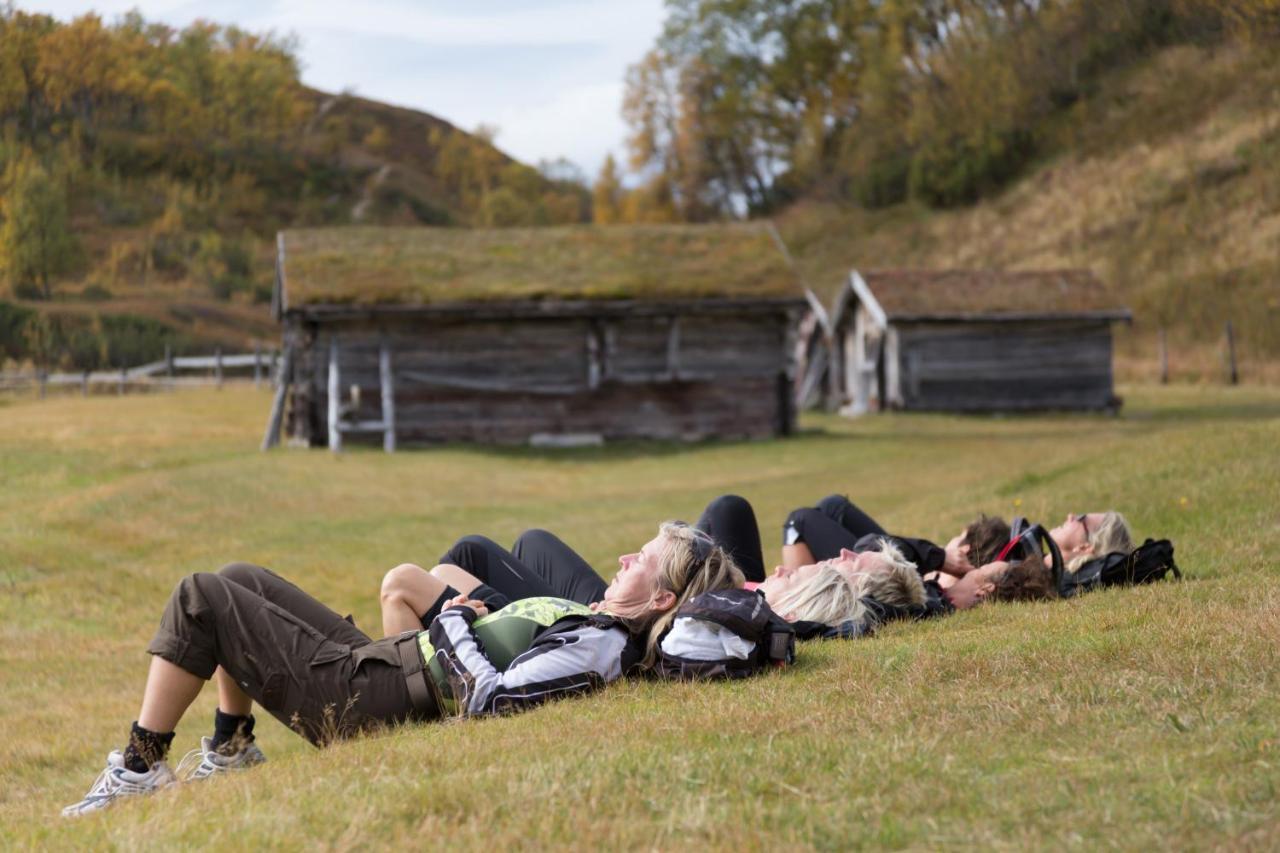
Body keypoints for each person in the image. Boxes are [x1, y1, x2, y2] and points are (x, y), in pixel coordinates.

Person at [62, 523, 740, 817]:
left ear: (662, 600)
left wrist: (449, 621)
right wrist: (465, 618)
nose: (623, 557)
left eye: (640, 560)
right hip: (394, 664)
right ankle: (233, 748)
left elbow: (491, 700)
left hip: (378, 696)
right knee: (239, 577)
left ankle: (140, 766)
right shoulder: (597, 625)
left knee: (200, 596)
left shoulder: (599, 648)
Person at [385, 496, 921, 632]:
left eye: (853, 564)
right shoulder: (803, 607)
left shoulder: (807, 613)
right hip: (621, 610)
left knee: (456, 561)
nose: (841, 557)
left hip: (591, 623)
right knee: (518, 542)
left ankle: (416, 661)